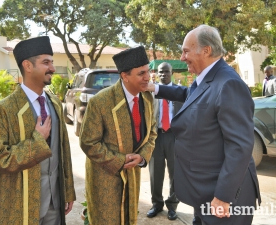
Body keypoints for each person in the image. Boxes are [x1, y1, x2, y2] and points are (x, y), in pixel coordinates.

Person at [148, 24, 261, 225]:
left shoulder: (228, 84)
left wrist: (224, 196)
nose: (182, 58)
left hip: (224, 198)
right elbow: (189, 95)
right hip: (205, 190)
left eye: (185, 51)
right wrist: (154, 88)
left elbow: (240, 146)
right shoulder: (209, 78)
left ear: (206, 50)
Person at [0, 36, 76, 225]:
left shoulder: (55, 103)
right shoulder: (1, 111)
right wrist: (37, 142)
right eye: (46, 62)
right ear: (27, 65)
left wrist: (68, 189)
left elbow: (64, 151)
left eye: (52, 62)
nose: (52, 68)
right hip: (19, 205)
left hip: (54, 203)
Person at [79, 46, 157, 225]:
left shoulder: (147, 98)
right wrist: (119, 161)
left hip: (132, 176)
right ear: (125, 76)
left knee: (129, 219)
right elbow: (88, 142)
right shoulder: (101, 101)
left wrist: (142, 157)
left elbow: (152, 133)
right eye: (141, 73)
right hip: (106, 179)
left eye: (148, 71)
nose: (148, 77)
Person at [147, 62, 182, 220]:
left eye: (166, 72)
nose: (163, 75)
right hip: (157, 137)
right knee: (155, 172)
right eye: (161, 72)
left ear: (171, 72)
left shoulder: (179, 92)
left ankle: (172, 206)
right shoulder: (151, 92)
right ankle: (157, 204)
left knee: (175, 173)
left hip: (175, 137)